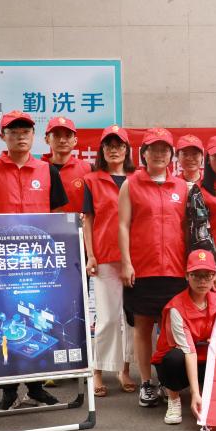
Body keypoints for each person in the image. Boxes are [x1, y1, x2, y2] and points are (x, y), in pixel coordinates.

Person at [0, 111, 69, 410]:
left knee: (36, 321)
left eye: (26, 131)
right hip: (2, 264)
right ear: (2, 136)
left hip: (38, 264)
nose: (20, 136)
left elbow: (59, 217)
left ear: (34, 136)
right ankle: (8, 391)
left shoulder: (48, 172)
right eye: (13, 131)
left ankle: (36, 388)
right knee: (6, 321)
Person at [117, 127, 189, 408]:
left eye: (164, 149)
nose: (159, 154)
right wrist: (126, 262)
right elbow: (123, 225)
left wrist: (188, 265)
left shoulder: (181, 187)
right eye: (153, 149)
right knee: (143, 327)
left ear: (171, 155)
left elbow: (186, 228)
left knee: (170, 330)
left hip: (175, 268)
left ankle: (168, 382)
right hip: (142, 267)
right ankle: (146, 383)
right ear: (143, 153)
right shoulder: (130, 184)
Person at [82, 125, 136, 397]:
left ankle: (124, 370)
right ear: (102, 150)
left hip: (135, 258)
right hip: (104, 256)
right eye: (109, 146)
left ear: (127, 150)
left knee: (131, 319)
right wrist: (90, 254)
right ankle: (97, 371)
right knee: (107, 318)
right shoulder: (92, 180)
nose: (114, 150)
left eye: (119, 145)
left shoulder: (137, 179)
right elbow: (88, 220)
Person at [151, 249, 216, 425]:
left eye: (208, 275)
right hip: (182, 360)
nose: (202, 281)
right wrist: (195, 394)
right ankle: (173, 398)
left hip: (205, 359)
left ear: (215, 276)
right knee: (174, 357)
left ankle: (215, 395)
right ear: (187, 276)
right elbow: (189, 352)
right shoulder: (176, 308)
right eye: (196, 275)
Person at [42, 116, 92, 214]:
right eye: (57, 135)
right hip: (45, 224)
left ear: (75, 140)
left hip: (79, 224)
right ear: (47, 140)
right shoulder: (37, 169)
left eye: (68, 135)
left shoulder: (88, 169)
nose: (62, 140)